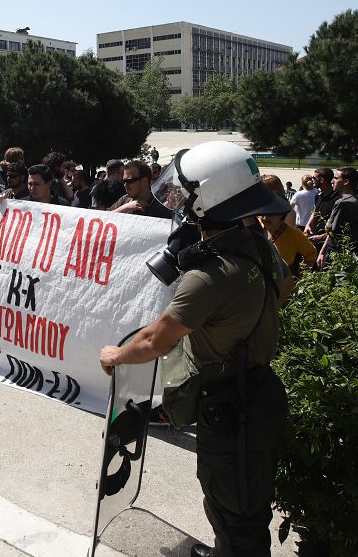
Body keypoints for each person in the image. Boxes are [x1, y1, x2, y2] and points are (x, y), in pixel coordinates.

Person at [99, 140, 293, 557]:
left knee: (234, 506)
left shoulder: (209, 278)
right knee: (243, 496)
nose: (181, 206)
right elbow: (283, 290)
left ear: (211, 199)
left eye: (188, 198)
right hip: (258, 392)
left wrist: (115, 356)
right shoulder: (258, 246)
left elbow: (154, 341)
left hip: (230, 406)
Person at [317, 166, 358, 268]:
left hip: (338, 252)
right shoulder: (357, 200)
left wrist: (321, 248)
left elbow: (331, 230)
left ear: (346, 182)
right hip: (353, 250)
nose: (332, 181)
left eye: (336, 178)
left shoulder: (342, 202)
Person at [303, 167, 337, 249]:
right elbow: (315, 211)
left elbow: (336, 226)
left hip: (325, 242)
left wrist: (321, 237)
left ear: (321, 180)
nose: (311, 181)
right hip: (313, 237)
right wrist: (308, 225)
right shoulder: (318, 196)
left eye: (314, 178)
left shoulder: (336, 199)